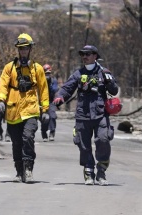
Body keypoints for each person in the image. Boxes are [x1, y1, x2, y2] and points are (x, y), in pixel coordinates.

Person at [53, 45, 119, 186]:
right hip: (83, 115)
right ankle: (88, 171)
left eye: (88, 54)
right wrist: (60, 97)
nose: (84, 56)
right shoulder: (78, 74)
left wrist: (109, 81)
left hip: (101, 114)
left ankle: (101, 170)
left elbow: (114, 91)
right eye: (82, 54)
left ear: (95, 56)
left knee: (103, 139)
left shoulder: (104, 72)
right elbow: (67, 88)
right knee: (83, 144)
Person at [0, 33, 49, 183]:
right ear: (18, 50)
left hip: (31, 111)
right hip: (13, 113)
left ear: (30, 49)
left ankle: (28, 169)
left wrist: (45, 110)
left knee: (28, 137)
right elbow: (3, 85)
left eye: (26, 49)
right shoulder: (9, 68)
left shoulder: (37, 69)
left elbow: (43, 89)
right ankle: (19, 171)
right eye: (21, 49)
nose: (23, 52)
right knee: (17, 144)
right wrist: (1, 100)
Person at [41, 64, 58, 142]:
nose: (47, 75)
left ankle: (52, 132)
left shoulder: (53, 80)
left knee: (53, 116)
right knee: (44, 119)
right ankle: (44, 133)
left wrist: (49, 84)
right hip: (42, 102)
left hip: (50, 101)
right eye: (46, 73)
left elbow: (55, 90)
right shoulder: (40, 80)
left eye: (48, 73)